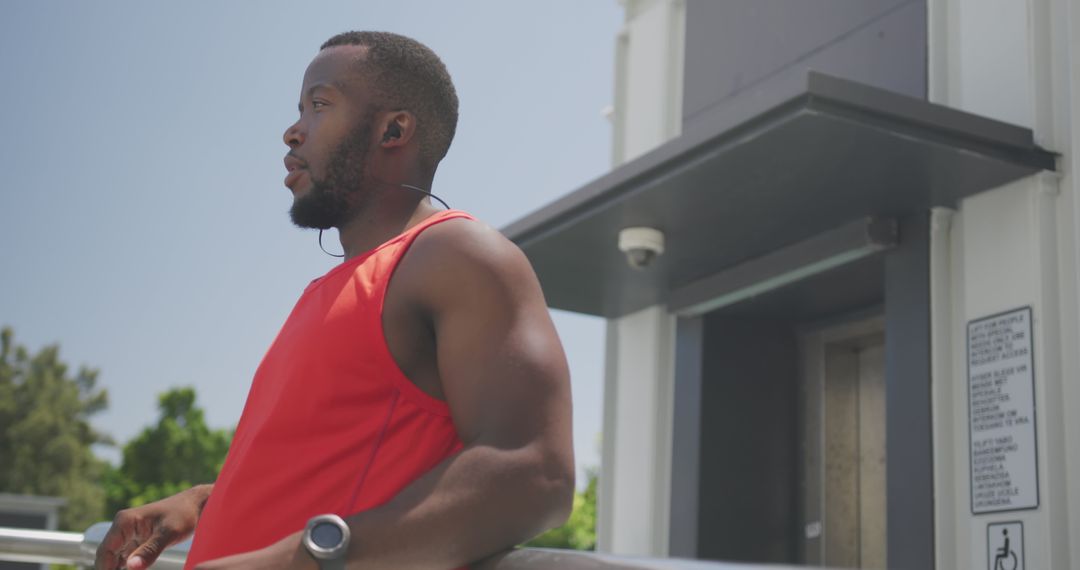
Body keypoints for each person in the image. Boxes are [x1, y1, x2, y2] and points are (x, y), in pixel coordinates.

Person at [95, 31, 575, 570]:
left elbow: (534, 474)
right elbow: (333, 465)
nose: (292, 132)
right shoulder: (332, 289)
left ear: (393, 129)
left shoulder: (456, 253)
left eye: (319, 105)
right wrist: (205, 500)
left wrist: (299, 560)